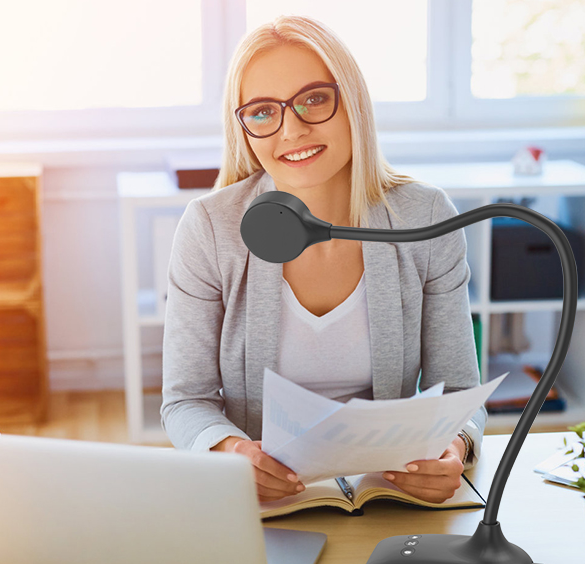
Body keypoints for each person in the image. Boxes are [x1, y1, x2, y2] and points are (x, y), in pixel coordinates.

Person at [161, 15, 485, 504]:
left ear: (350, 101)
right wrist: (228, 450)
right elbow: (186, 401)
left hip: (390, 500)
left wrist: (455, 445)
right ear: (245, 128)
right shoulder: (211, 228)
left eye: (314, 99)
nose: (291, 129)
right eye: (264, 111)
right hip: (263, 505)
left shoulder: (426, 217)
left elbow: (460, 391)